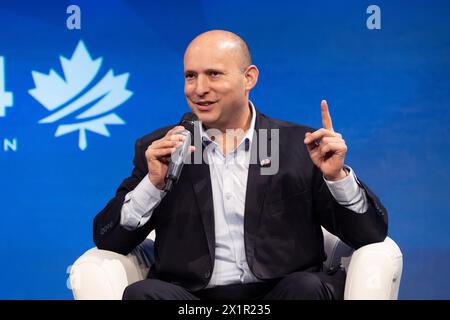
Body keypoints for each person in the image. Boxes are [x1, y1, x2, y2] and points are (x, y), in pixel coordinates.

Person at [93, 30, 387, 300]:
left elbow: (368, 235)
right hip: (194, 302)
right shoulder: (161, 148)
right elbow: (109, 240)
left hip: (279, 294)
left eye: (214, 74)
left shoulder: (300, 145)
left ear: (249, 78)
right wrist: (153, 184)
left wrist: (337, 178)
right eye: (191, 76)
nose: (199, 89)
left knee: (307, 289)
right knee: (143, 294)